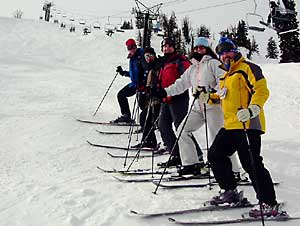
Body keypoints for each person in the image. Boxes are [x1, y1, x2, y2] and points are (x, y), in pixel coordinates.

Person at [207, 37, 282, 217]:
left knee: (252, 163)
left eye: (227, 50)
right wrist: (210, 97)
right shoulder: (225, 75)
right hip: (231, 124)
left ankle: (269, 204)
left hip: (248, 123)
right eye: (220, 52)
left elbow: (261, 90)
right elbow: (224, 95)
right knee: (215, 154)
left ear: (235, 50)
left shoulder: (247, 67)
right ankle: (230, 191)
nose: (224, 55)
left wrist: (252, 109)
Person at [161, 37, 242, 177]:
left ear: (207, 49)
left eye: (202, 48)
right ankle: (191, 164)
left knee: (218, 139)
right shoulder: (192, 68)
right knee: (182, 130)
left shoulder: (214, 64)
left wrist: (212, 92)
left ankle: (233, 170)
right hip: (198, 107)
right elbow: (181, 84)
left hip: (214, 107)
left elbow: (224, 83)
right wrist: (164, 92)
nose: (199, 50)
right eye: (196, 48)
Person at [153, 37, 195, 167]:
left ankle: (195, 155)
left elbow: (189, 77)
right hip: (166, 98)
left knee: (181, 127)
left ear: (174, 47)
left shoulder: (180, 60)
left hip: (179, 98)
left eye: (169, 46)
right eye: (164, 46)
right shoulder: (164, 62)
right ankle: (176, 154)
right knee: (163, 125)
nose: (167, 48)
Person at [131, 47, 161, 149]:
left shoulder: (157, 65)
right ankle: (149, 141)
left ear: (154, 55)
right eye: (146, 56)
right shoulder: (148, 66)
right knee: (145, 117)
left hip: (158, 97)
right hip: (151, 96)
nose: (148, 58)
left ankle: (151, 141)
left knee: (147, 117)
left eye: (150, 55)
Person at [113, 39, 147, 124]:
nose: (131, 49)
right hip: (135, 84)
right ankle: (126, 116)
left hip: (142, 85)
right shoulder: (132, 58)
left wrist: (143, 82)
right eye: (129, 47)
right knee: (121, 95)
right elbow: (134, 74)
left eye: (133, 46)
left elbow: (147, 70)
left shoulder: (141, 56)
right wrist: (123, 73)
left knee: (142, 104)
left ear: (135, 46)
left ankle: (151, 120)